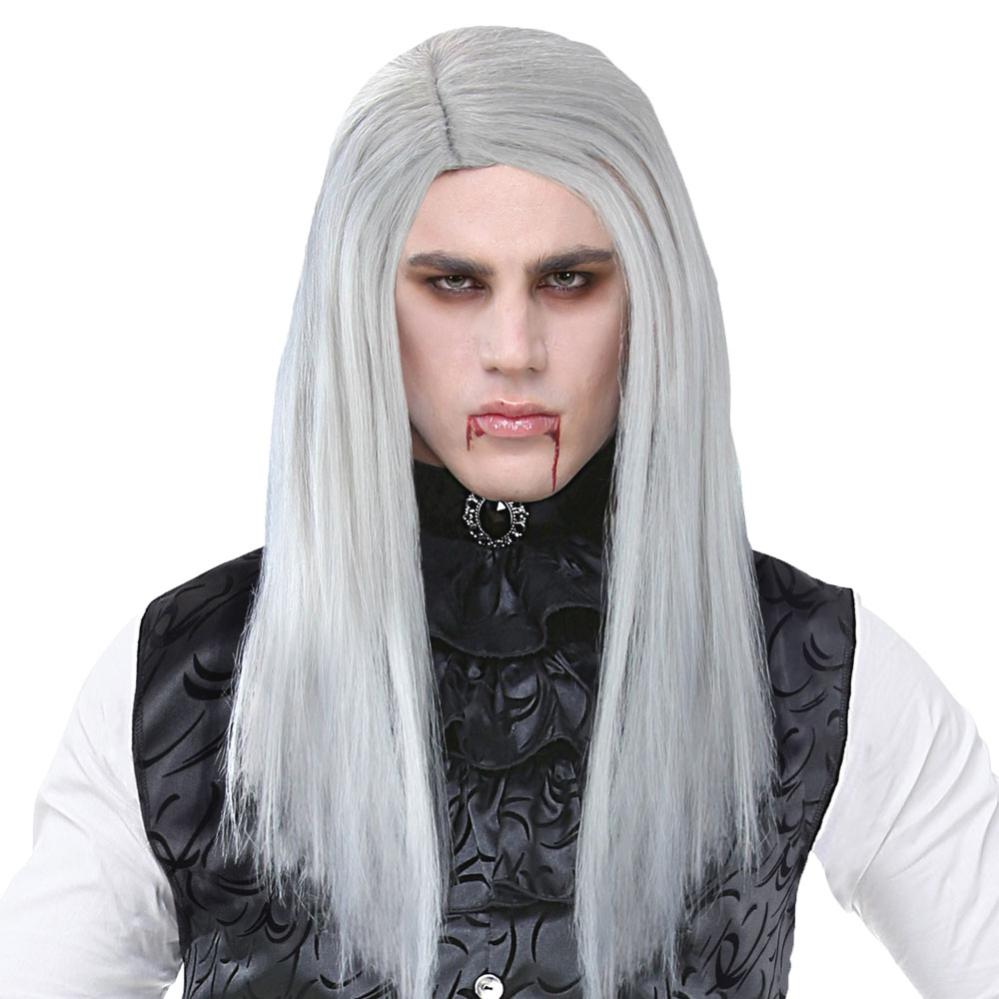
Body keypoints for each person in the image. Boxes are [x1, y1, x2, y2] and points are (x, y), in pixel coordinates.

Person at [0, 23, 996, 999]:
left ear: (649, 299)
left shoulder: (809, 667)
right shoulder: (185, 680)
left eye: (568, 280)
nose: (514, 348)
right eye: (453, 283)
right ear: (363, 303)